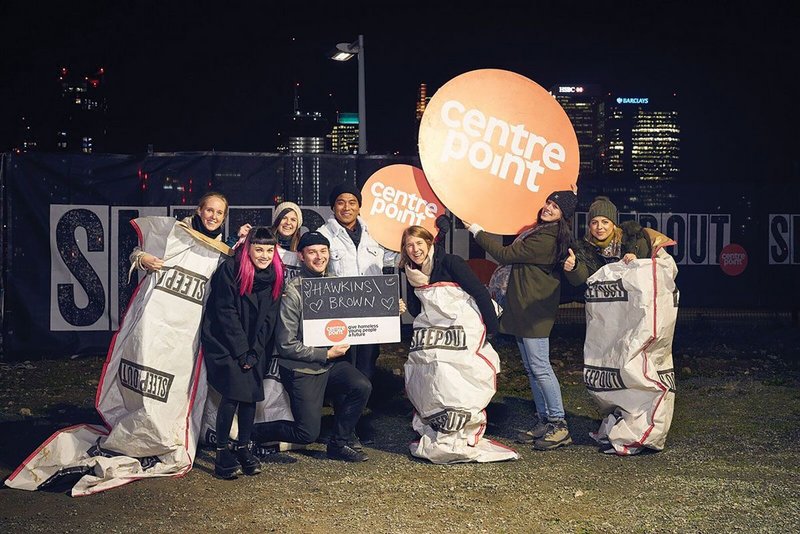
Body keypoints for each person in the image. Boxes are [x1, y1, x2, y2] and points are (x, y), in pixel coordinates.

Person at [462, 190, 577, 451]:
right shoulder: (542, 231)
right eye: (549, 202)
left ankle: (559, 424)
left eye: (555, 207)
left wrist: (477, 230)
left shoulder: (547, 238)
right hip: (525, 309)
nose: (548, 208)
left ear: (563, 216)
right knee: (531, 368)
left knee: (540, 367)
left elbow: (504, 255)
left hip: (534, 311)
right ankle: (544, 420)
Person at [252, 231, 373, 462]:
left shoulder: (335, 286)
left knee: (361, 385)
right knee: (306, 433)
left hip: (329, 364)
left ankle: (339, 443)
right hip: (301, 368)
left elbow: (361, 316)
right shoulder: (294, 292)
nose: (319, 257)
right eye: (312, 252)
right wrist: (325, 353)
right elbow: (286, 344)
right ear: (301, 256)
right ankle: (252, 434)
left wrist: (389, 311)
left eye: (323, 251)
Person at [201, 227, 284, 479]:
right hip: (225, 342)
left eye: (269, 250)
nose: (264, 255)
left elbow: (270, 319)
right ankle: (221, 452)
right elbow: (225, 313)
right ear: (248, 249)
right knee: (234, 393)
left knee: (251, 395)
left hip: (254, 345)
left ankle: (243, 447)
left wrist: (255, 352)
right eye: (259, 249)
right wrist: (241, 352)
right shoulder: (230, 269)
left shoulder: (275, 276)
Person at [317, 182, 397, 442]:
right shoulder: (323, 235)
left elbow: (395, 260)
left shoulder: (376, 234)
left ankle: (355, 423)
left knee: (366, 370)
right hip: (338, 319)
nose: (347, 207)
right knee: (344, 372)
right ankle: (343, 431)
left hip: (371, 319)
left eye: (352, 202)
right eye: (341, 202)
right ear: (332, 207)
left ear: (360, 206)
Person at [401, 225, 498, 335]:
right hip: (434, 333)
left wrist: (491, 329)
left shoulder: (451, 262)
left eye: (419, 243)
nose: (415, 249)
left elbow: (480, 293)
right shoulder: (411, 272)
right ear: (405, 249)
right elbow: (417, 311)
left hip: (463, 329)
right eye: (410, 245)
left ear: (428, 242)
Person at [562, 196, 651, 285]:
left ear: (614, 224)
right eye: (594, 222)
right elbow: (580, 280)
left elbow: (650, 273)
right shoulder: (583, 249)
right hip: (601, 297)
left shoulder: (635, 240)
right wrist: (574, 267)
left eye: (605, 222)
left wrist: (637, 262)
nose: (599, 227)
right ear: (589, 227)